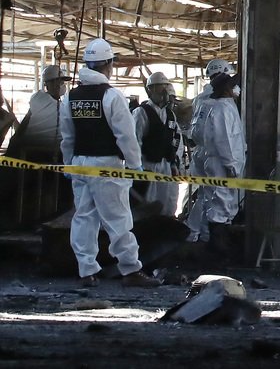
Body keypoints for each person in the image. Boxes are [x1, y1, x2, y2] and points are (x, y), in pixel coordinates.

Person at [58, 38, 160, 288]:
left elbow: (67, 136)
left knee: (84, 217)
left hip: (80, 164)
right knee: (118, 219)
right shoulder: (112, 96)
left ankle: (86, 271)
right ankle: (130, 270)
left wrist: (68, 163)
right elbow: (126, 136)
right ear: (108, 65)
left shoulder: (69, 98)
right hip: (107, 165)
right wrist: (135, 165)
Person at [184, 57, 235, 242]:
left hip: (202, 153)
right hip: (215, 155)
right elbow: (223, 137)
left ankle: (198, 234)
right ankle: (203, 235)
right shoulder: (220, 103)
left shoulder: (200, 98)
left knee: (206, 195)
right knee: (216, 198)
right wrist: (231, 163)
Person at [197, 68, 245, 256]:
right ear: (226, 89)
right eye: (233, 85)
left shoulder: (219, 106)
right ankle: (218, 252)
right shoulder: (223, 108)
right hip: (222, 163)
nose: (236, 88)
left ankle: (218, 246)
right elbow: (224, 139)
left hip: (220, 161)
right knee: (221, 204)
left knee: (222, 203)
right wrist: (230, 164)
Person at [132, 71, 183, 216]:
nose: (164, 91)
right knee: (148, 202)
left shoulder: (170, 115)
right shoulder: (141, 113)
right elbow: (135, 140)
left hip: (166, 165)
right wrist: (137, 166)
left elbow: (175, 140)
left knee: (168, 200)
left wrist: (174, 163)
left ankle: (166, 231)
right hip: (148, 164)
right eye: (160, 87)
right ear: (151, 89)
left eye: (165, 87)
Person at [7, 65, 68, 160]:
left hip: (33, 149)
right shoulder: (40, 100)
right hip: (50, 152)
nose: (59, 85)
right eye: (56, 82)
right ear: (47, 84)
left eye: (61, 82)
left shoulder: (37, 98)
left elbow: (23, 127)